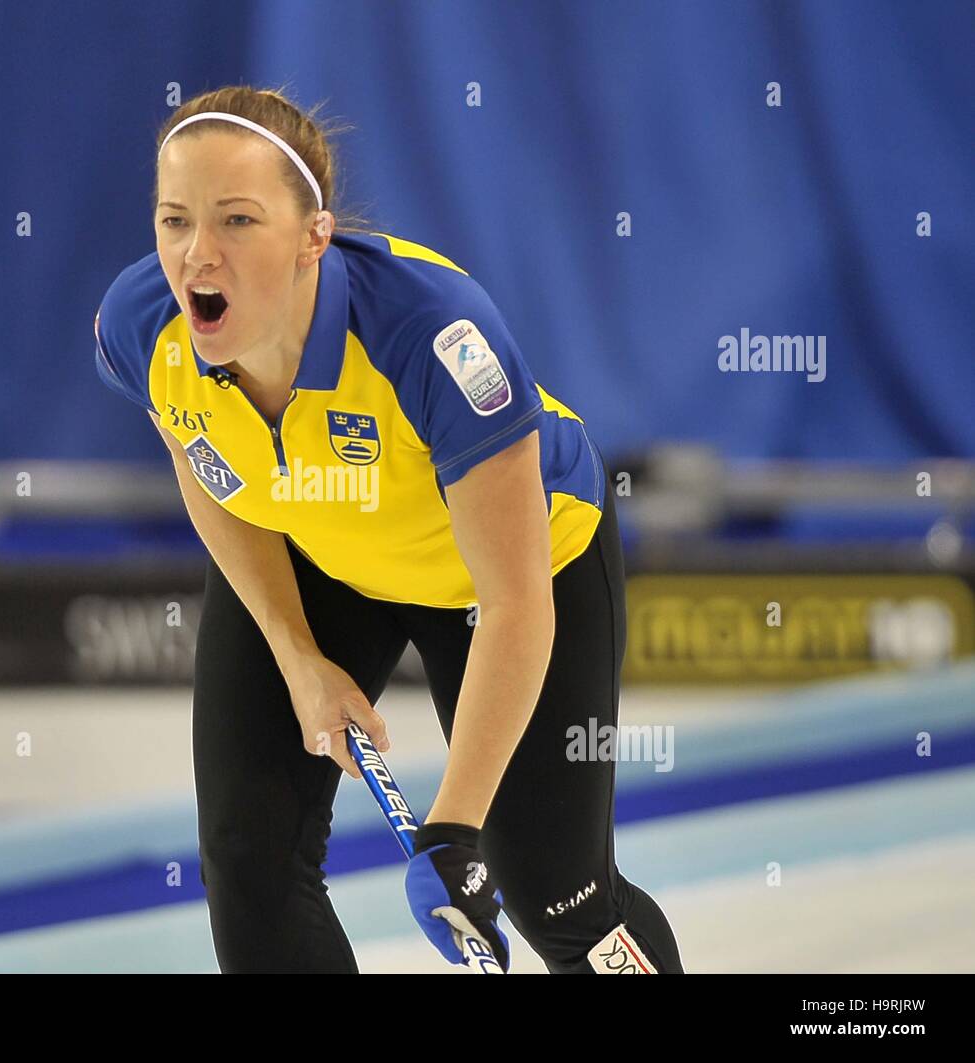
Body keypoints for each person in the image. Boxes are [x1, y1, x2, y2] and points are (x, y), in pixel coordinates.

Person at [94, 84, 683, 974]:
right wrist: (298, 658)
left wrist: (455, 831)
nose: (196, 255)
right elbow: (206, 463)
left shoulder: (436, 335)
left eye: (238, 221)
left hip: (511, 573)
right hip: (323, 552)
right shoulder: (144, 326)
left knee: (553, 892)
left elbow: (516, 603)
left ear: (313, 236)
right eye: (174, 220)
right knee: (250, 858)